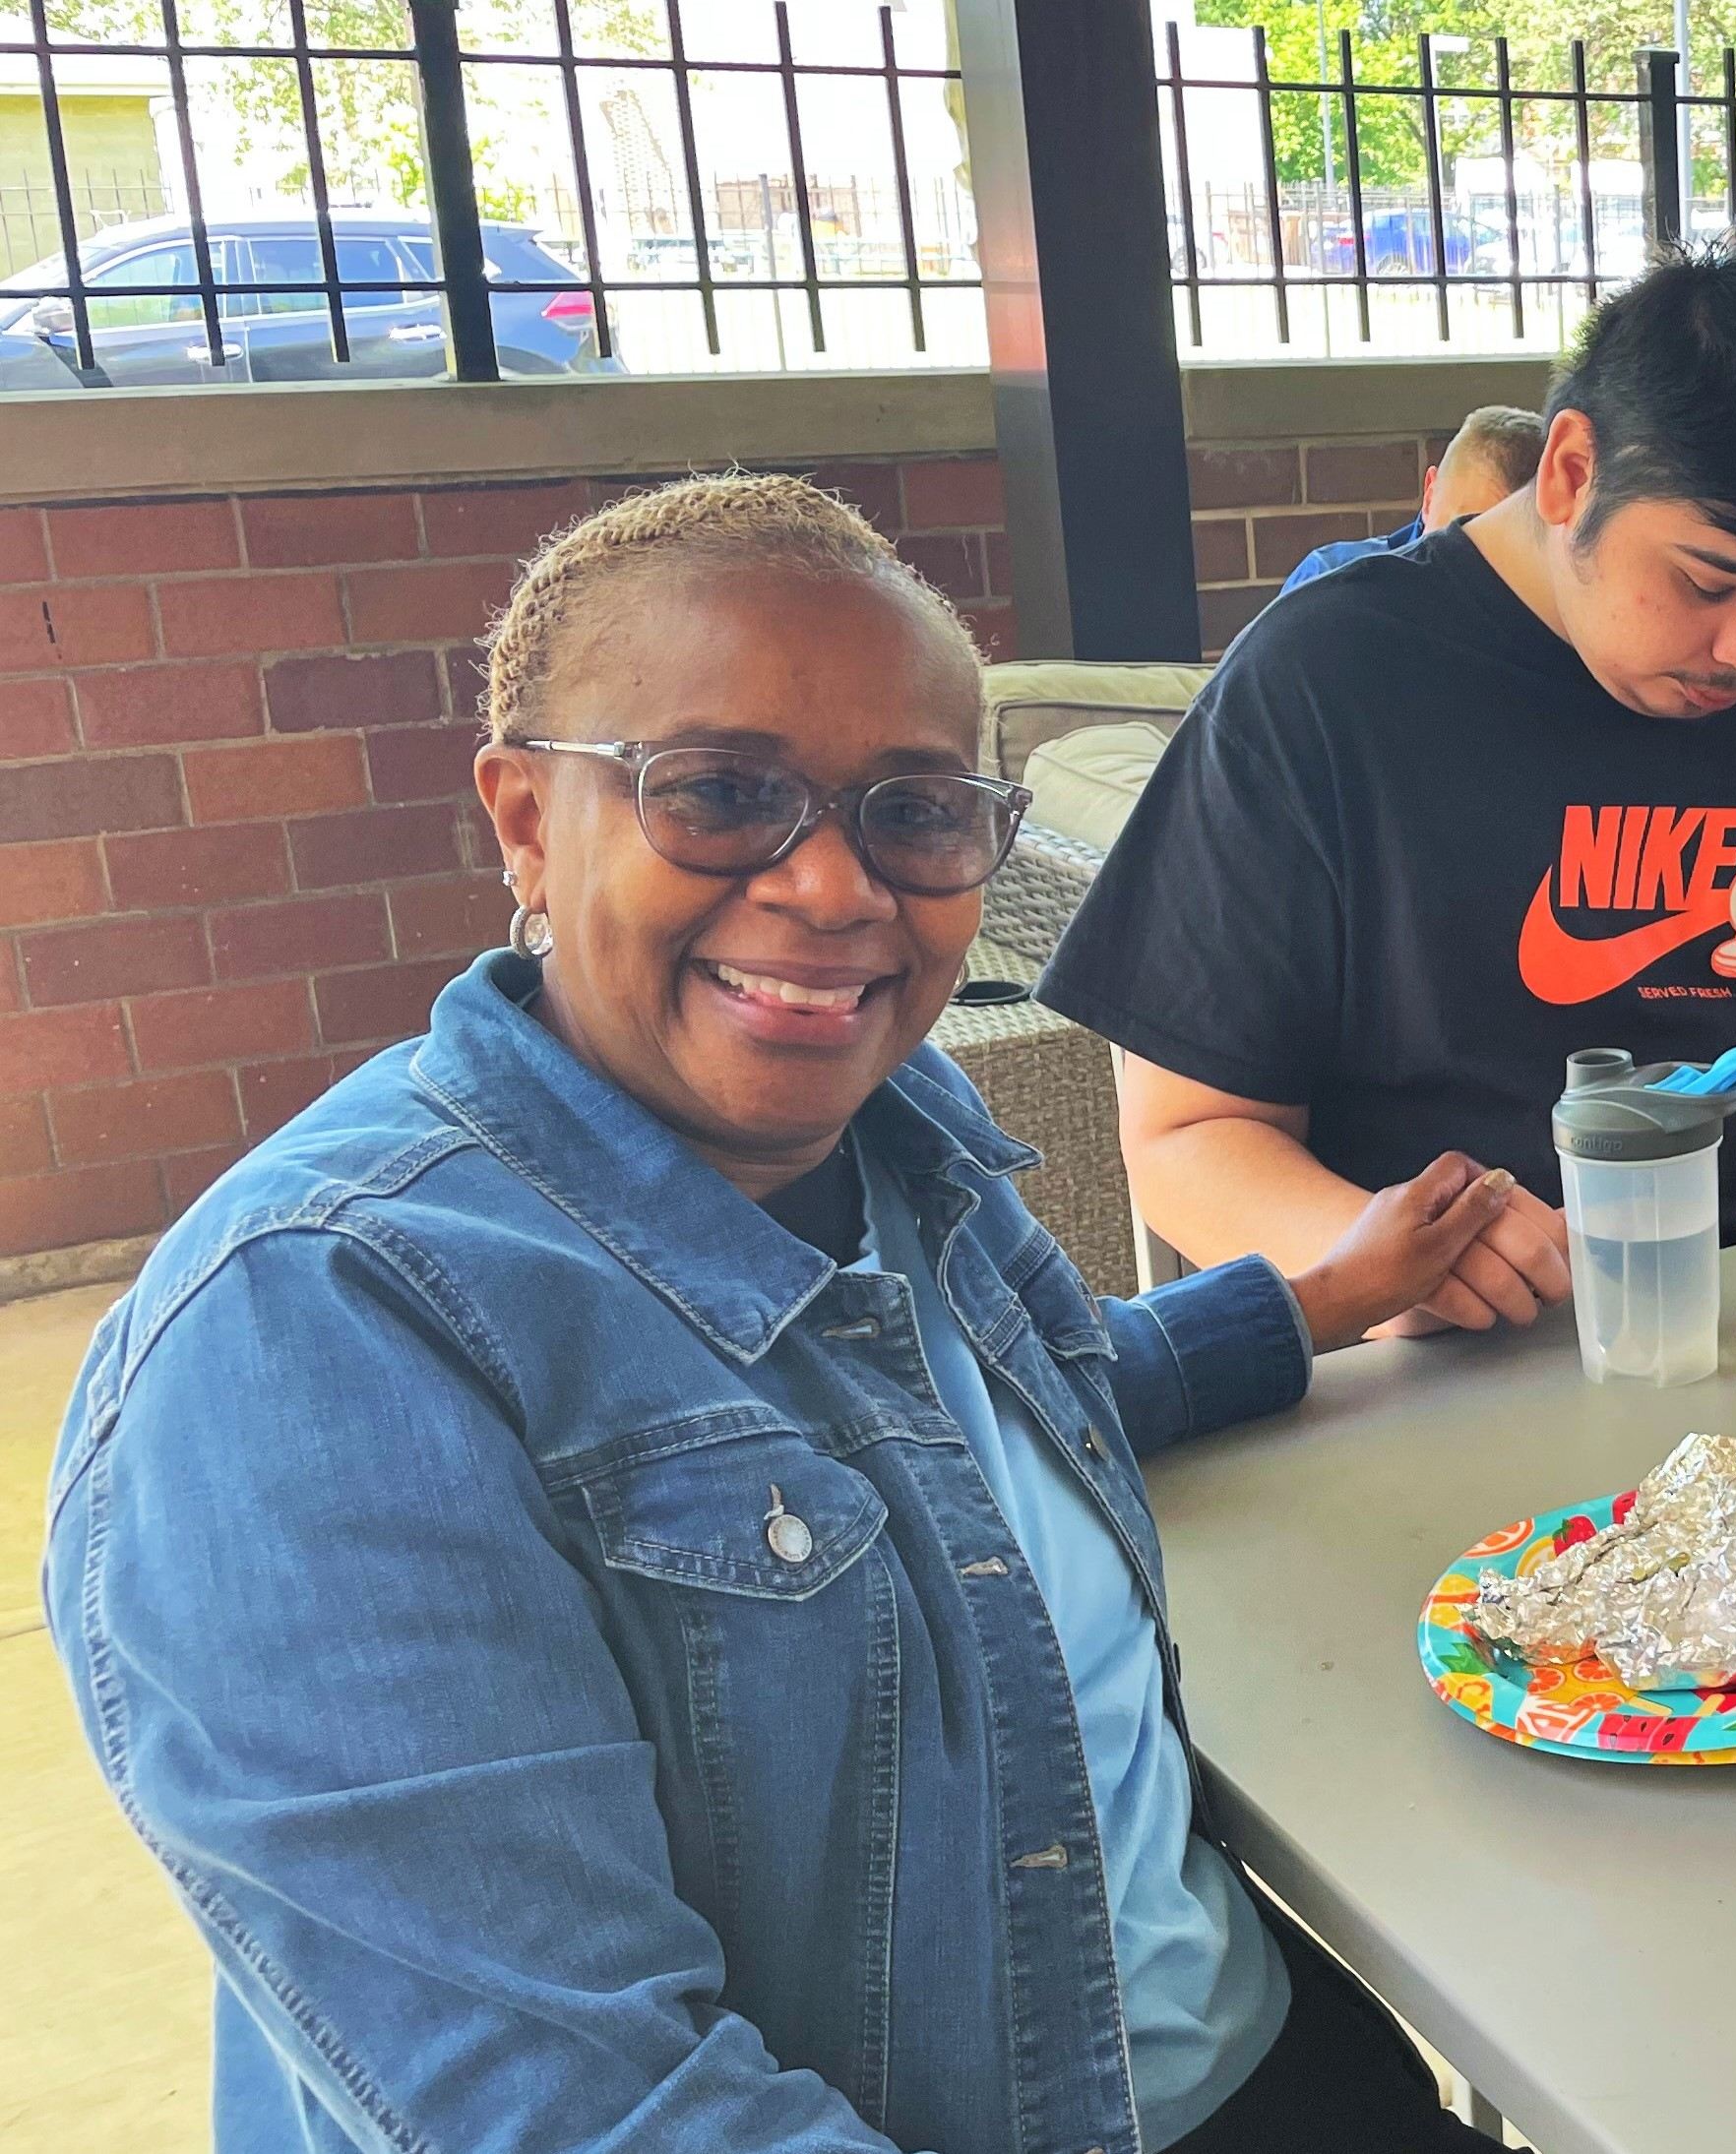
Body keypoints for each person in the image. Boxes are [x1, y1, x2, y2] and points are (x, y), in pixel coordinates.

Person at [44, 473, 1508, 2153]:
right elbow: (573, 2102)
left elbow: (1004, 1413)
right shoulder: (317, 1337)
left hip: (1223, 2042)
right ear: (524, 816)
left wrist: (1323, 1296)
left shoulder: (900, 1138)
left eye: (914, 809)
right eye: (722, 793)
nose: (831, 887)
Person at [1041, 246, 1736, 1324]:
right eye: (1709, 581)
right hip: (1502, 1347)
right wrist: (1380, 1259)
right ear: (1572, 472)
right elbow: (1186, 1135)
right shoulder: (1324, 679)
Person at [1279, 402, 1546, 591]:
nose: (1475, 570)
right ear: (1430, 496)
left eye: (1507, 556)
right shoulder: (1328, 583)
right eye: (1464, 536)